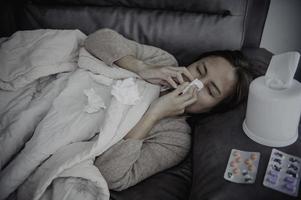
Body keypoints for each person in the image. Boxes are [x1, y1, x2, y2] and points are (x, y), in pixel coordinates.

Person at [84, 28, 253, 191]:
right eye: (199, 70)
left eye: (210, 90)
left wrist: (154, 114)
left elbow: (111, 175)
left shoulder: (175, 139)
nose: (194, 82)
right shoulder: (164, 61)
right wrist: (142, 68)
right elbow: (97, 38)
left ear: (211, 110)